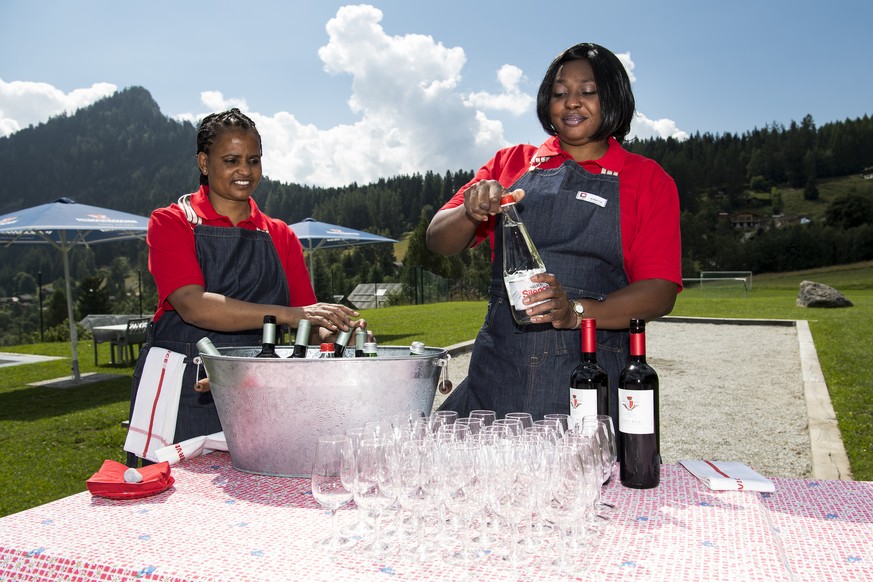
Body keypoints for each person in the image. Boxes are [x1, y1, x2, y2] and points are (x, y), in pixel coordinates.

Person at [426, 43, 682, 428]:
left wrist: (575, 312)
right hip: (498, 376)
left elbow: (659, 292)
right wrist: (469, 209)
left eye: (588, 91)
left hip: (589, 378)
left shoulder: (647, 180)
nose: (571, 103)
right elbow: (438, 240)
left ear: (614, 97)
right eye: (559, 93)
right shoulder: (510, 163)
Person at [127, 108, 364, 465]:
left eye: (253, 160)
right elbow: (193, 305)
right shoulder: (173, 222)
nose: (245, 171)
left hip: (255, 390)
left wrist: (343, 333)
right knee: (165, 497)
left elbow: (309, 324)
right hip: (180, 389)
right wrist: (291, 314)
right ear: (204, 163)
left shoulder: (280, 234)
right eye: (231, 160)